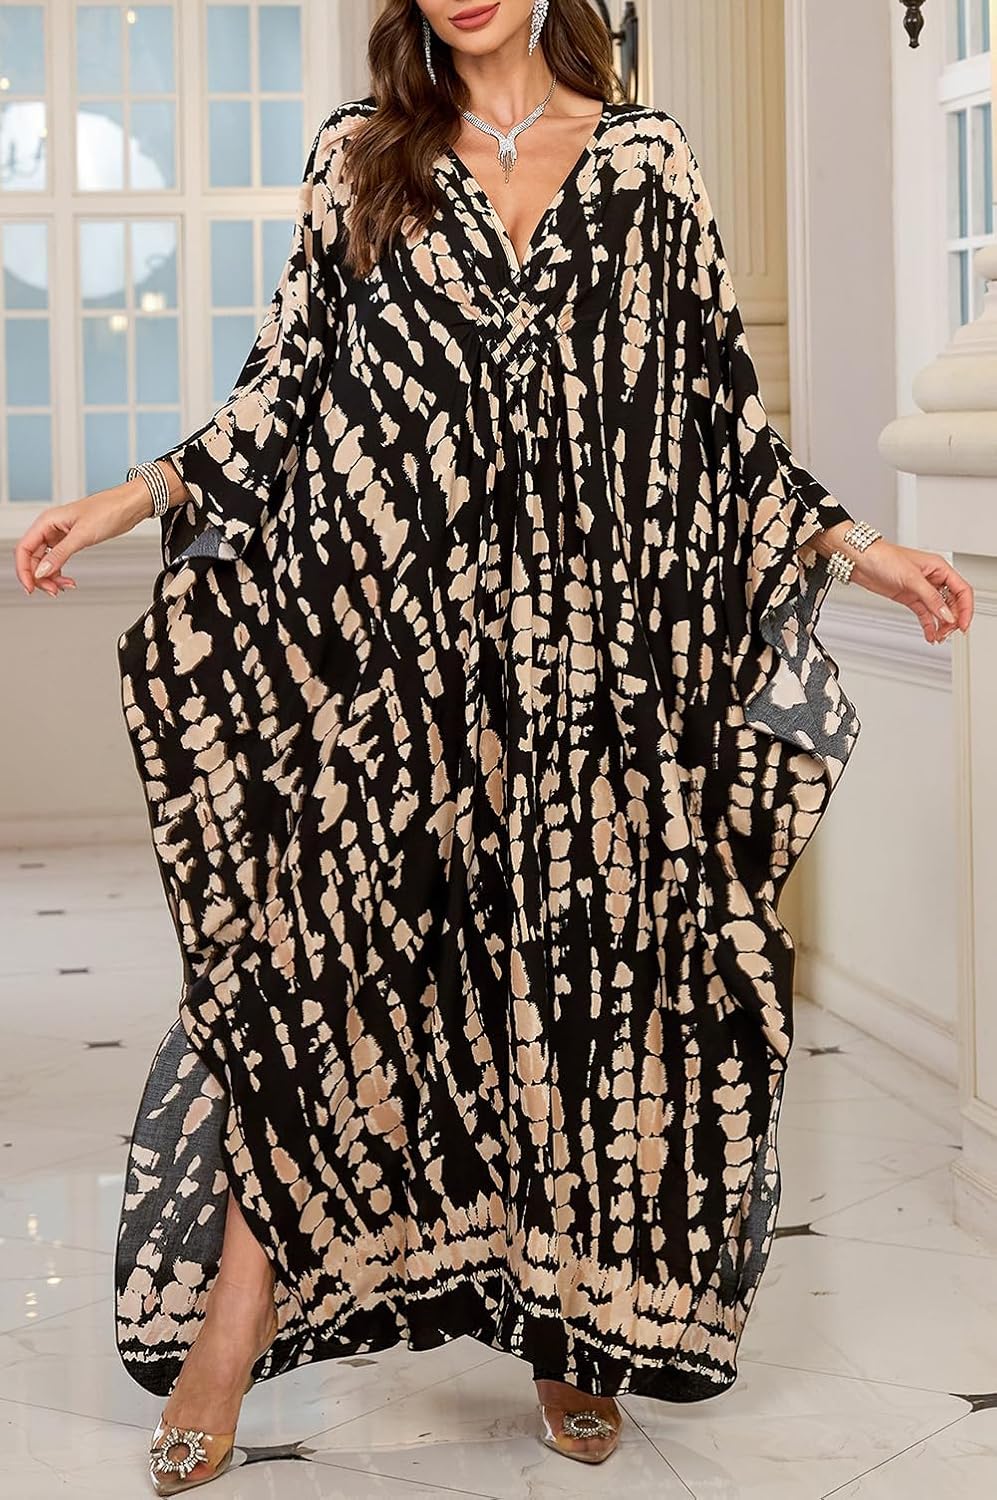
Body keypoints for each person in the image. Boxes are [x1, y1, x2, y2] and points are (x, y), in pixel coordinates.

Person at [13, 0, 974, 1491]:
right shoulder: (363, 155)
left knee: (573, 977)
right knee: (325, 968)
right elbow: (282, 395)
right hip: (393, 644)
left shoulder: (647, 163)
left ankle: (569, 1327)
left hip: (589, 660)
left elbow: (716, 415)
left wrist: (859, 547)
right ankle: (232, 1323)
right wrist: (126, 497)